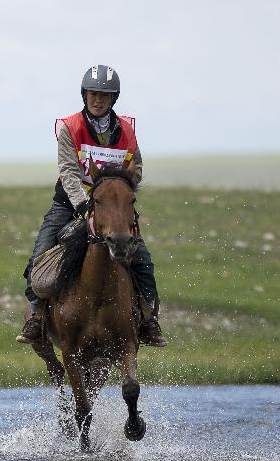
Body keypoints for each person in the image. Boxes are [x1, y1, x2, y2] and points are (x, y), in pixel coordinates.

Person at [16, 64, 167, 347]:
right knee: (41, 250)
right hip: (71, 204)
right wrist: (85, 205)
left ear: (114, 99)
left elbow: (137, 168)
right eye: (93, 94)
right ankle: (35, 318)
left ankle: (148, 320)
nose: (98, 100)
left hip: (110, 209)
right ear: (84, 95)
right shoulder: (69, 128)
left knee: (143, 259)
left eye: (104, 95)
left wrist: (120, 195)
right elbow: (69, 172)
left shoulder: (126, 131)